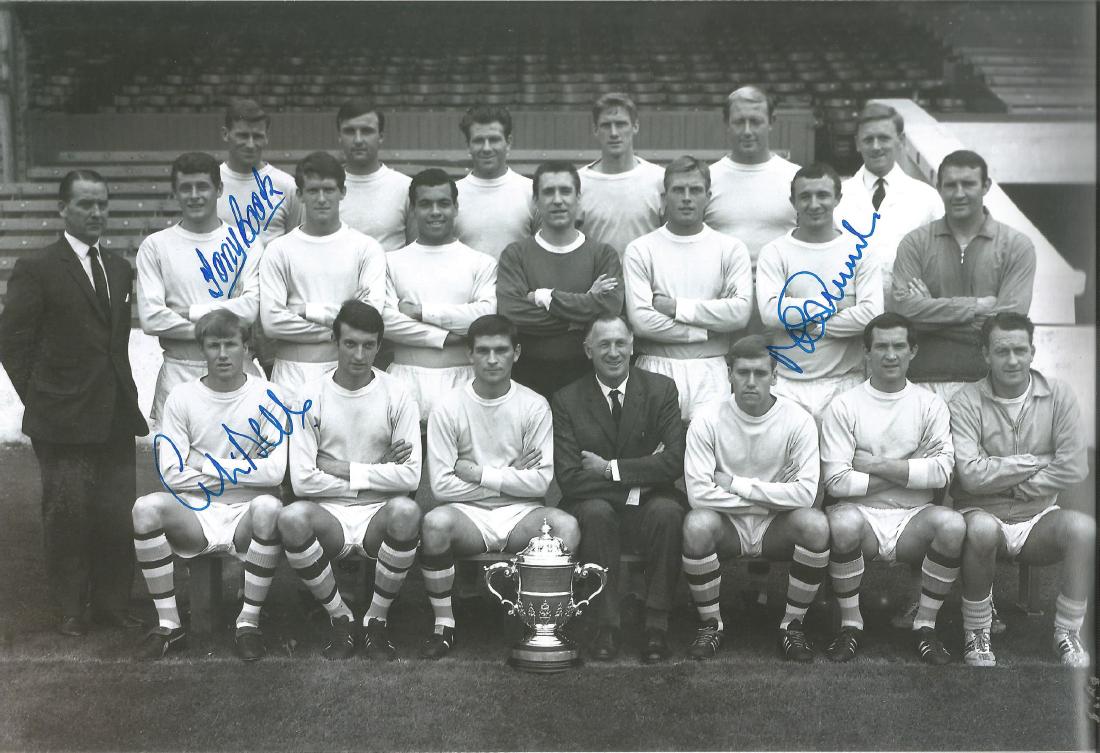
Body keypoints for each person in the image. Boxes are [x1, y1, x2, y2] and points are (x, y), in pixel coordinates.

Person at [0, 169, 148, 636]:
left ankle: (112, 604)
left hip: (114, 415)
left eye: (102, 203)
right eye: (85, 204)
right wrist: (43, 398)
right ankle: (70, 609)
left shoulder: (121, 267)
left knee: (114, 513)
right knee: (67, 513)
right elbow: (12, 341)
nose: (96, 212)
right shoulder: (37, 267)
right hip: (61, 418)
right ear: (62, 208)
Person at [131, 310, 289, 660]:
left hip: (249, 510)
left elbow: (275, 472)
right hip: (196, 510)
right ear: (202, 349)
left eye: (230, 344)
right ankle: (170, 625)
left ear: (245, 347)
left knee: (270, 506)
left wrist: (205, 463)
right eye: (213, 345)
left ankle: (248, 622)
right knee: (145, 508)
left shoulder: (269, 395)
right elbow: (171, 473)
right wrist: (244, 468)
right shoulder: (181, 398)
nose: (222, 353)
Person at [419, 314, 579, 659]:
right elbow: (442, 487)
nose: (492, 359)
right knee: (434, 523)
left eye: (501, 350)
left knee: (566, 526)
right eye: (484, 351)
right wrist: (510, 476)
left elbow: (541, 480)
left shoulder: (534, 405)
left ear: (516, 353)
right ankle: (443, 625)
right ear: (470, 355)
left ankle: (538, 621)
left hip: (522, 515)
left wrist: (478, 474)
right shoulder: (447, 407)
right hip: (467, 516)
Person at [281, 301, 422, 660]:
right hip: (328, 514)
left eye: (369, 345)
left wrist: (342, 468)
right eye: (350, 344)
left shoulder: (398, 393)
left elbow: (409, 476)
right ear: (335, 340)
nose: (359, 355)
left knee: (406, 511)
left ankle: (376, 620)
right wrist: (378, 470)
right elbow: (301, 481)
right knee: (292, 517)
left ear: (379, 345)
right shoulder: (309, 394)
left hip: (379, 513)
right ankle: (340, 617)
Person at [949, 312, 1091, 668]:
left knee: (1085, 531)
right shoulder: (964, 400)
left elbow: (1074, 466)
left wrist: (1013, 486)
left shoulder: (1058, 394)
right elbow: (969, 476)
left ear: (1032, 351)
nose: (1011, 360)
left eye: (1019, 350)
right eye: (1001, 351)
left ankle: (1068, 631)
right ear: (985, 354)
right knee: (980, 530)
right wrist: (1034, 462)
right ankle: (977, 632)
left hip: (1038, 516)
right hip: (980, 514)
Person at [820, 313, 961, 664]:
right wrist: (910, 466)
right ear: (866, 352)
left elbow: (942, 472)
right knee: (841, 523)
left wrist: (876, 465)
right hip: (861, 516)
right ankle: (851, 626)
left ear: (913, 350)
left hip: (914, 518)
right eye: (881, 346)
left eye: (899, 346)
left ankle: (925, 626)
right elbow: (836, 480)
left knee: (953, 525)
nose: (890, 354)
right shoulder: (844, 405)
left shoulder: (930, 404)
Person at [682, 335, 828, 662]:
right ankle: (711, 623)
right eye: (743, 372)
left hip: (776, 525)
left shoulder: (798, 419)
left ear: (775, 376)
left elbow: (806, 493)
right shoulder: (707, 418)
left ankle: (792, 625)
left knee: (815, 525)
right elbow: (698, 494)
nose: (751, 382)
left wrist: (735, 484)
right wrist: (776, 495)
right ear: (729, 374)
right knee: (697, 525)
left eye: (760, 373)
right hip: (729, 525)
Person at [551, 315, 686, 662]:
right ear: (588, 350)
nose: (613, 352)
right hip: (595, 506)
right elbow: (570, 478)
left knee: (668, 511)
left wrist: (609, 469)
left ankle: (657, 624)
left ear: (632, 346)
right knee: (596, 512)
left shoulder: (661, 389)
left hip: (651, 504)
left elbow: (672, 463)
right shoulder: (567, 399)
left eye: (620, 343)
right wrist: (639, 480)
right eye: (604, 344)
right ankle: (605, 625)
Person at [890, 149, 1036, 403]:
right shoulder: (915, 242)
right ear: (939, 187)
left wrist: (928, 314)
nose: (959, 193)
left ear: (986, 186)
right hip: (921, 383)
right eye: (951, 185)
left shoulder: (1016, 245)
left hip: (989, 385)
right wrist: (975, 306)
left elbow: (1009, 325)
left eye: (968, 184)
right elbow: (902, 313)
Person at [623, 156, 753, 421]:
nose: (686, 197)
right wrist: (709, 327)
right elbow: (642, 322)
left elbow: (739, 314)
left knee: (709, 454)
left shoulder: (730, 248)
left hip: (712, 369)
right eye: (678, 190)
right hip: (654, 366)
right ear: (664, 197)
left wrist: (676, 308)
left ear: (708, 196)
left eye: (694, 190)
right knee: (656, 455)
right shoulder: (640, 249)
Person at [138, 151, 262, 423]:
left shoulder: (246, 244)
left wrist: (188, 312)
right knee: (179, 464)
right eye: (185, 188)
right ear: (175, 192)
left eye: (202, 186)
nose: (194, 195)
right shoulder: (155, 246)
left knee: (239, 461)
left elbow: (249, 310)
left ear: (219, 189)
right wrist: (226, 322)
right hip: (179, 373)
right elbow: (152, 319)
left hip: (237, 375)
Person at [756, 163, 884, 423]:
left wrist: (810, 325)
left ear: (838, 198)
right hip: (786, 383)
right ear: (793, 201)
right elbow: (771, 313)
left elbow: (871, 315)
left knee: (842, 463)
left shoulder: (861, 251)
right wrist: (829, 305)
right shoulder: (774, 251)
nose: (814, 204)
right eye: (805, 196)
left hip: (846, 382)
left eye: (823, 195)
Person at [259, 151, 387, 395]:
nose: (321, 198)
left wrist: (307, 311)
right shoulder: (278, 250)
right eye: (313, 190)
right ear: (300, 195)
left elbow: (372, 316)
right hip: (291, 375)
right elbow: (272, 323)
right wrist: (346, 320)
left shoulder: (366, 248)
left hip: (347, 372)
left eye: (328, 190)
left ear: (342, 192)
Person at [497, 161, 624, 398]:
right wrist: (581, 314)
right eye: (548, 192)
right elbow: (511, 313)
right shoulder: (515, 255)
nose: (557, 200)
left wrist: (546, 298)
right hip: (527, 376)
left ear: (578, 198)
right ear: (535, 201)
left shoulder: (602, 254)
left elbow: (609, 309)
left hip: (588, 376)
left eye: (565, 191)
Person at [383, 168, 497, 427]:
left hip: (466, 380)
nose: (435, 212)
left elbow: (485, 318)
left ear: (456, 207)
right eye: (425, 204)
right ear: (412, 209)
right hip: (404, 381)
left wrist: (421, 311)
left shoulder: (480, 263)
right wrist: (448, 337)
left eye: (443, 203)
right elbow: (386, 322)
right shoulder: (391, 261)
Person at [833, 102, 942, 293]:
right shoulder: (836, 197)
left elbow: (942, 257)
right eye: (868, 139)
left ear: (900, 140)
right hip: (850, 307)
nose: (876, 147)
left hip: (906, 310)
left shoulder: (926, 197)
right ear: (857, 143)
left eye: (884, 138)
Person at [705, 86, 800, 267]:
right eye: (739, 122)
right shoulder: (706, 180)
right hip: (722, 291)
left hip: (782, 290)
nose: (747, 131)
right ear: (726, 123)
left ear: (771, 122)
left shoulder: (795, 177)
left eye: (755, 122)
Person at [578, 92, 665, 258]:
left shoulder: (659, 179)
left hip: (647, 282)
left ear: (635, 127)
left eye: (621, 124)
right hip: (598, 282)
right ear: (595, 130)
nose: (614, 133)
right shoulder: (578, 183)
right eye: (606, 125)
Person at [454, 105, 537, 259]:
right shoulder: (453, 195)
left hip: (517, 283)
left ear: (509, 142)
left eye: (494, 140)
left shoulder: (531, 192)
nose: (486, 148)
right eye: (479, 140)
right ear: (468, 145)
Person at [217, 98, 300, 248]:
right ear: (225, 134)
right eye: (242, 136)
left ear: (266, 137)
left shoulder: (287, 186)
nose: (250, 144)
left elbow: (294, 249)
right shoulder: (211, 183)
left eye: (257, 136)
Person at [335, 99, 414, 251]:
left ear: (381, 136)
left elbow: (415, 252)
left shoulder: (405, 187)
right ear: (339, 137)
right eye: (350, 131)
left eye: (366, 131)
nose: (358, 140)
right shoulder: (325, 190)